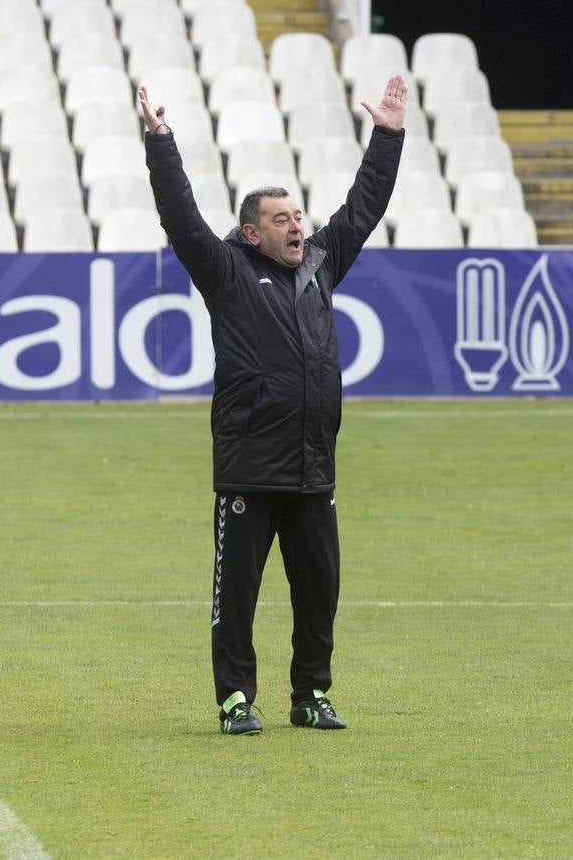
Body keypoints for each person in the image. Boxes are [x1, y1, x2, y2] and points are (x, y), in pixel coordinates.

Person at [139, 75, 406, 735]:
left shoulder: (320, 263)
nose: (297, 226)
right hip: (249, 465)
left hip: (314, 465)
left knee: (320, 594)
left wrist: (389, 136)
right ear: (252, 233)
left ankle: (310, 695)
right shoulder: (225, 272)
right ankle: (235, 699)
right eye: (282, 219)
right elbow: (180, 216)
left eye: (297, 216)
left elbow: (364, 206)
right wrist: (161, 144)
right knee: (238, 597)